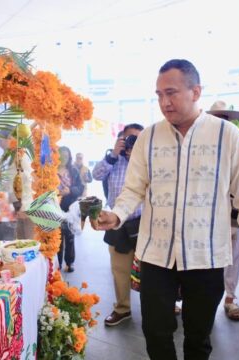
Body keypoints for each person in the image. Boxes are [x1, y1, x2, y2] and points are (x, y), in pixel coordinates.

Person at [93, 59, 239, 360]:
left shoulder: (227, 136)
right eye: (158, 94)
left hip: (206, 255)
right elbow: (134, 188)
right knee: (156, 332)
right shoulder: (149, 136)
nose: (164, 102)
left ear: (195, 91)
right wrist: (116, 215)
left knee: (198, 338)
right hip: (156, 255)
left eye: (170, 92)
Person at [92, 123, 144, 326]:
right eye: (130, 138)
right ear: (121, 139)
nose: (133, 143)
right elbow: (96, 175)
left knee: (153, 270)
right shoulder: (113, 160)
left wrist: (136, 157)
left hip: (144, 224)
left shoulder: (147, 161)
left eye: (138, 139)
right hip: (117, 224)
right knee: (119, 270)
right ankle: (122, 309)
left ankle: (160, 305)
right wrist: (114, 154)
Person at [207, 100, 239, 321]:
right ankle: (205, 303)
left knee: (232, 257)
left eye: (226, 119)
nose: (222, 123)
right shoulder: (201, 149)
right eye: (218, 118)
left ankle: (230, 299)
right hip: (207, 218)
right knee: (207, 261)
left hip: (233, 216)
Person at [57, 146, 84, 272]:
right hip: (54, 207)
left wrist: (70, 191)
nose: (63, 158)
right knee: (56, 238)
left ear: (69, 157)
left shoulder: (73, 170)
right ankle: (57, 264)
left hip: (69, 208)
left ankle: (70, 262)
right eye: (60, 155)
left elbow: (80, 188)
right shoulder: (50, 170)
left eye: (66, 156)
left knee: (69, 236)